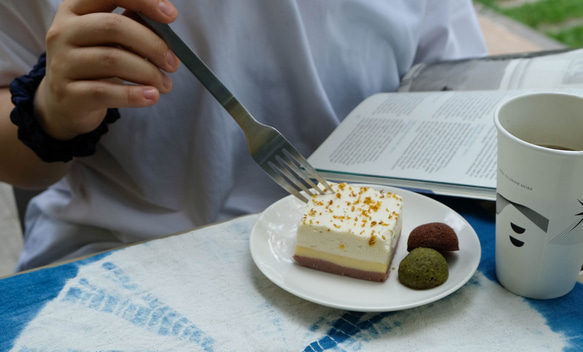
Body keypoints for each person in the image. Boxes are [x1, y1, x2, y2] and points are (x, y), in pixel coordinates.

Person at [0, 0, 487, 271]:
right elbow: (12, 159)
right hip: (129, 255)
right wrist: (51, 111)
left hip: (371, 262)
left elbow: (460, 87)